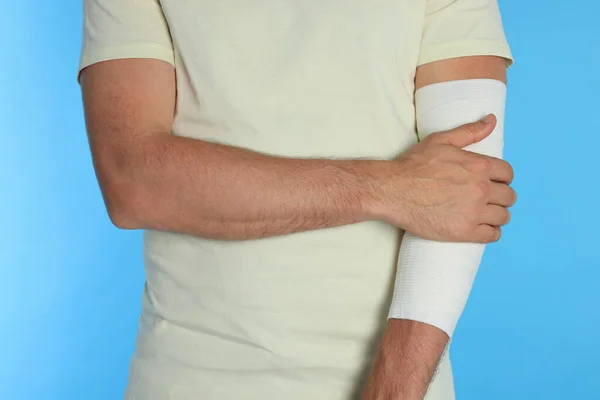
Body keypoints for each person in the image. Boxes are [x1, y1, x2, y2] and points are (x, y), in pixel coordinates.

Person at [78, 0, 516, 399]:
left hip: (399, 383)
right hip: (188, 377)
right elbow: (134, 182)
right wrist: (387, 187)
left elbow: (458, 194)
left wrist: (395, 389)